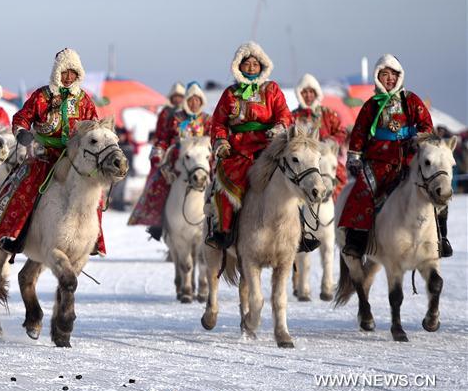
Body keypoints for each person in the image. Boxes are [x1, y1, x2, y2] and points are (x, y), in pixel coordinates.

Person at [0, 48, 105, 255]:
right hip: (44, 154)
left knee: (95, 193)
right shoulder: (41, 96)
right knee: (24, 188)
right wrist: (21, 132)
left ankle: (93, 240)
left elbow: (95, 127)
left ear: (78, 75)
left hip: (74, 156)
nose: (67, 78)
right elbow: (22, 117)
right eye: (64, 72)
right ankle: (15, 235)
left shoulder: (84, 100)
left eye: (72, 73)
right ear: (57, 73)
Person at [339, 55, 441, 258]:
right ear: (377, 77)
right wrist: (354, 157)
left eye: (394, 74)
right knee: (362, 190)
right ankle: (356, 241)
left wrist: (417, 138)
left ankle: (440, 237)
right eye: (385, 74)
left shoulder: (411, 100)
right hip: (378, 160)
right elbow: (359, 132)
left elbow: (427, 126)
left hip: (409, 159)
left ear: (400, 76)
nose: (390, 79)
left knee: (434, 188)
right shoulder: (371, 105)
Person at [207, 42, 293, 250]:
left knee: (294, 179)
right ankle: (223, 230)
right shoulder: (230, 93)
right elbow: (218, 122)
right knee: (223, 185)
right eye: (248, 64)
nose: (252, 67)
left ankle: (299, 233)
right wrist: (221, 140)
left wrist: (279, 128)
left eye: (256, 64)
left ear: (263, 66)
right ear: (239, 66)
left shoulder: (272, 89)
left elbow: (284, 114)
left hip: (269, 147)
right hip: (238, 150)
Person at [129, 82, 211, 240]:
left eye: (197, 100)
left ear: (202, 101)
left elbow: (214, 141)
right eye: (191, 100)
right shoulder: (175, 118)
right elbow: (164, 138)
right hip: (177, 162)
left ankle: (218, 224)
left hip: (202, 162)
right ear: (186, 102)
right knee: (159, 183)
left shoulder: (208, 120)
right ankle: (158, 223)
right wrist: (158, 152)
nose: (194, 103)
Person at [292, 73, 348, 200]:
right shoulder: (293, 117)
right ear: (299, 94)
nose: (308, 95)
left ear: (317, 93)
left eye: (311, 92)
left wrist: (330, 143)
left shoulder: (328, 114)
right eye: (304, 92)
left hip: (326, 161)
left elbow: (341, 132)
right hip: (304, 163)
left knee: (341, 186)